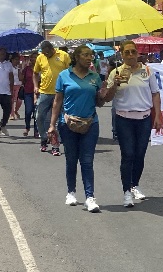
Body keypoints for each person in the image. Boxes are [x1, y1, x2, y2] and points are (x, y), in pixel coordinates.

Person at [48, 45, 114, 213]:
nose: (89, 58)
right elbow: (57, 102)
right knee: (71, 159)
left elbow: (99, 103)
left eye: (90, 55)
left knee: (87, 160)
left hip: (90, 123)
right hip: (68, 123)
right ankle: (71, 192)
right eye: (85, 55)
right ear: (76, 57)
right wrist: (52, 125)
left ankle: (90, 197)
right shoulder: (64, 76)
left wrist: (105, 92)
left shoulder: (95, 77)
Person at [104, 40, 163, 208]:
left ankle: (134, 184)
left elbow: (155, 94)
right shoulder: (115, 72)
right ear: (121, 55)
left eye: (133, 52)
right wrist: (114, 84)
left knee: (139, 154)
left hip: (143, 119)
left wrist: (158, 115)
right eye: (126, 52)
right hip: (124, 119)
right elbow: (107, 98)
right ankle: (126, 192)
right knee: (128, 155)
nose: (130, 55)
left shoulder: (147, 71)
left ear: (137, 53)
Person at [34, 41, 70, 155]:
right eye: (44, 53)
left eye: (47, 52)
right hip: (44, 92)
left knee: (58, 120)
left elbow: (71, 72)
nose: (46, 55)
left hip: (60, 93)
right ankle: (44, 138)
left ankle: (55, 145)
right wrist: (35, 86)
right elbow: (35, 73)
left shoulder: (63, 55)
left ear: (52, 48)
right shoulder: (40, 58)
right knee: (39, 117)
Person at [20, 52, 38, 137]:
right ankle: (27, 127)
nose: (34, 59)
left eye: (35, 57)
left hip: (38, 93)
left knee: (36, 113)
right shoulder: (26, 69)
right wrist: (20, 70)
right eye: (32, 57)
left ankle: (36, 130)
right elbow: (21, 79)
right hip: (27, 92)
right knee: (28, 111)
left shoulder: (41, 69)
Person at [9, 53, 23, 120]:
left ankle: (16, 110)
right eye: (16, 59)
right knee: (12, 100)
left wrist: (20, 70)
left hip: (18, 85)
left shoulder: (18, 68)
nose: (17, 61)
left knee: (19, 101)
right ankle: (11, 114)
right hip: (11, 85)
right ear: (12, 60)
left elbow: (21, 78)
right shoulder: (9, 67)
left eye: (18, 59)